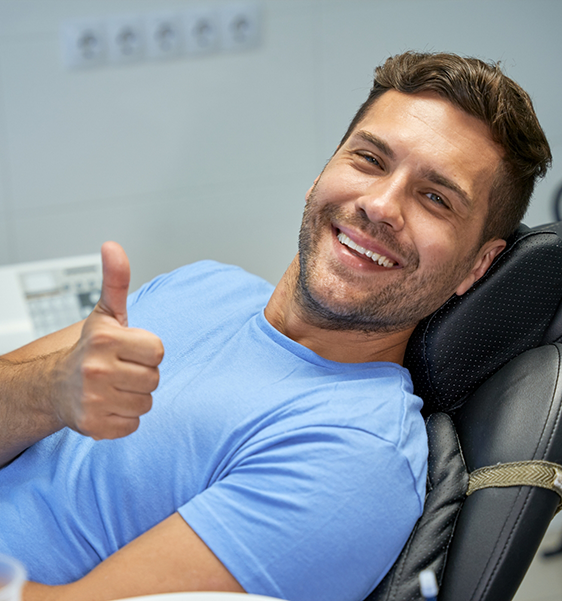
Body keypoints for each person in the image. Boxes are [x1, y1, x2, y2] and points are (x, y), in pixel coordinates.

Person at [0, 51, 551, 601]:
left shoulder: (355, 458)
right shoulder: (202, 286)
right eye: (369, 159)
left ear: (477, 265)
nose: (380, 204)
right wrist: (47, 389)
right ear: (323, 172)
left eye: (435, 198)